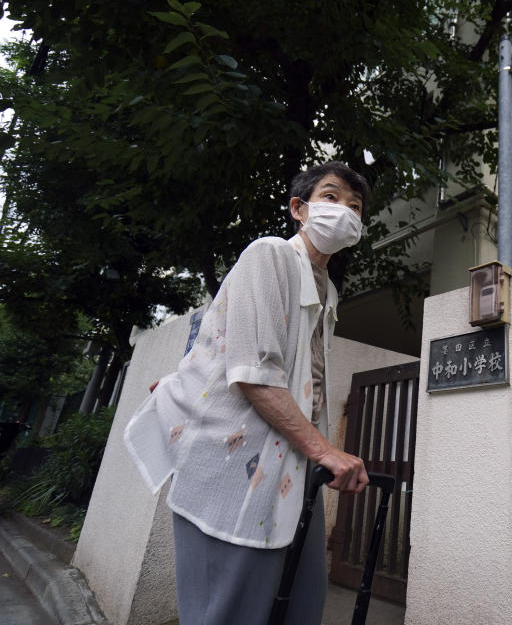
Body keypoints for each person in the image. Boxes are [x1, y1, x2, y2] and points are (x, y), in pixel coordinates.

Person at [124, 161, 371, 624]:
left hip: (294, 464)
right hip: (236, 466)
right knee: (231, 611)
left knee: (300, 604)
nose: (344, 212)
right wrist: (327, 452)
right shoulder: (270, 254)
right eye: (332, 197)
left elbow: (254, 356)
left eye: (355, 207)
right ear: (299, 208)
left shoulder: (328, 290)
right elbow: (255, 371)